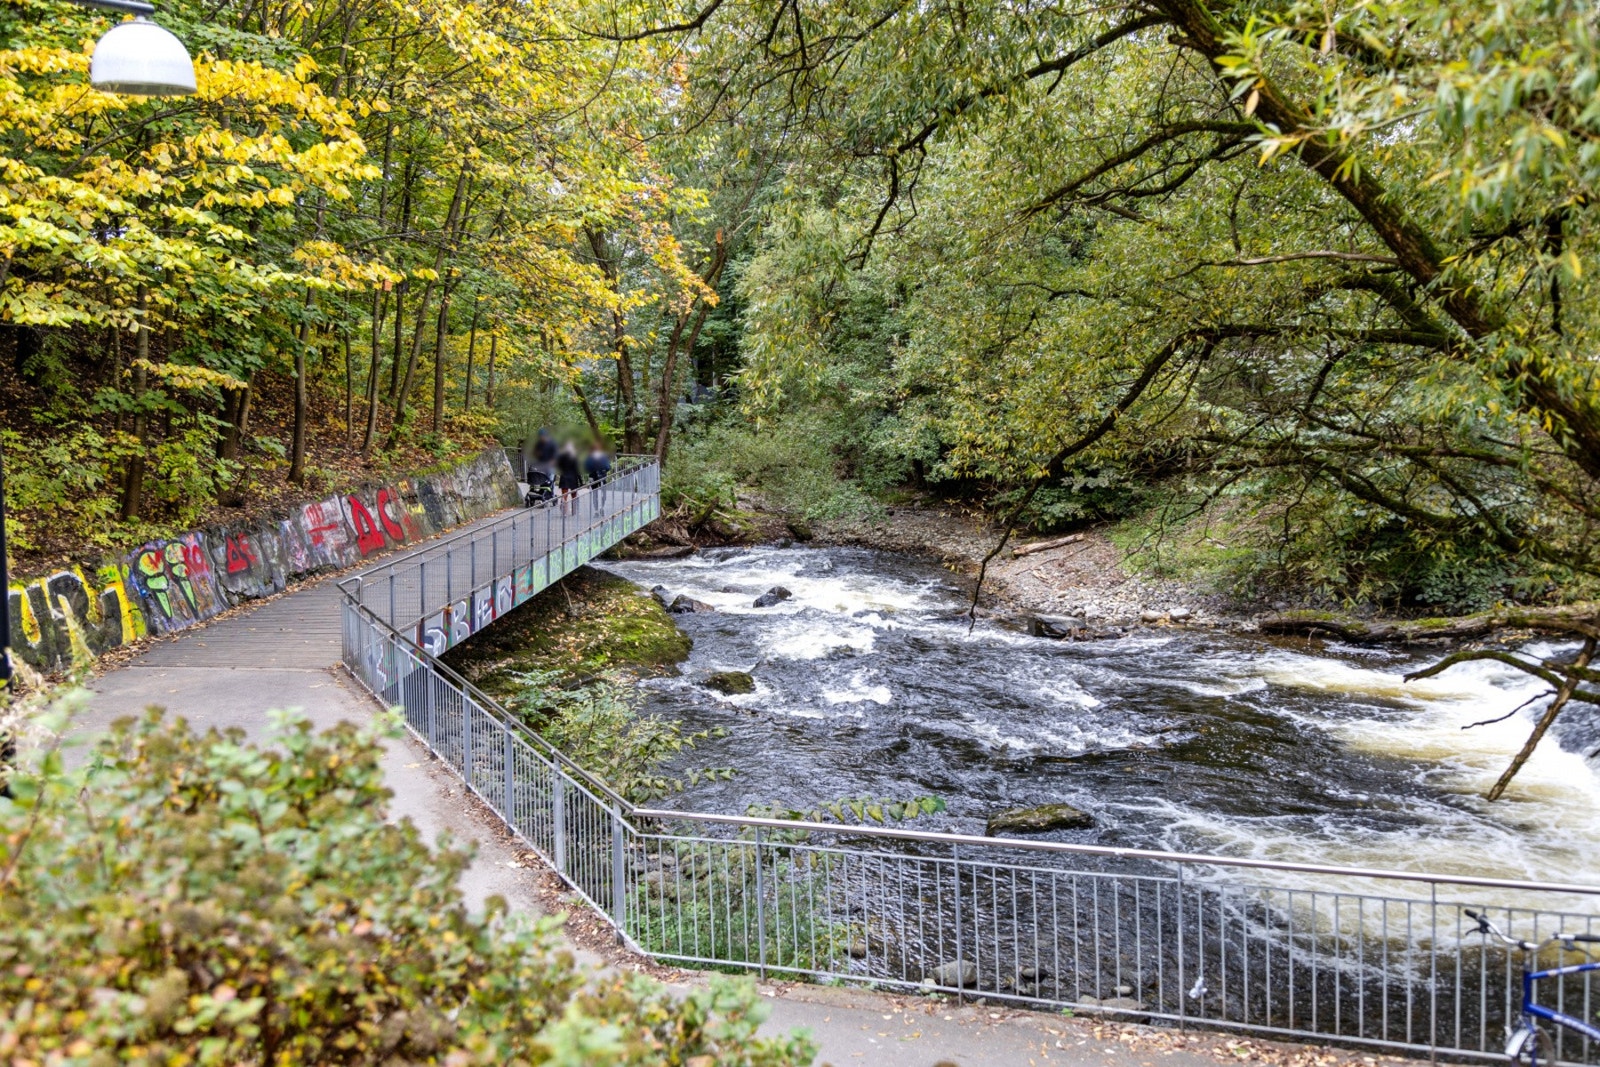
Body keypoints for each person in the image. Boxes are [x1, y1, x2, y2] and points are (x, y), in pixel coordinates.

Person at [555, 442, 583, 514]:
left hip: (564, 477)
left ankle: (564, 511)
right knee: (574, 496)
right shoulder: (575, 457)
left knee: (564, 496)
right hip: (573, 478)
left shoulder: (561, 457)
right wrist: (581, 481)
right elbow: (577, 470)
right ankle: (574, 512)